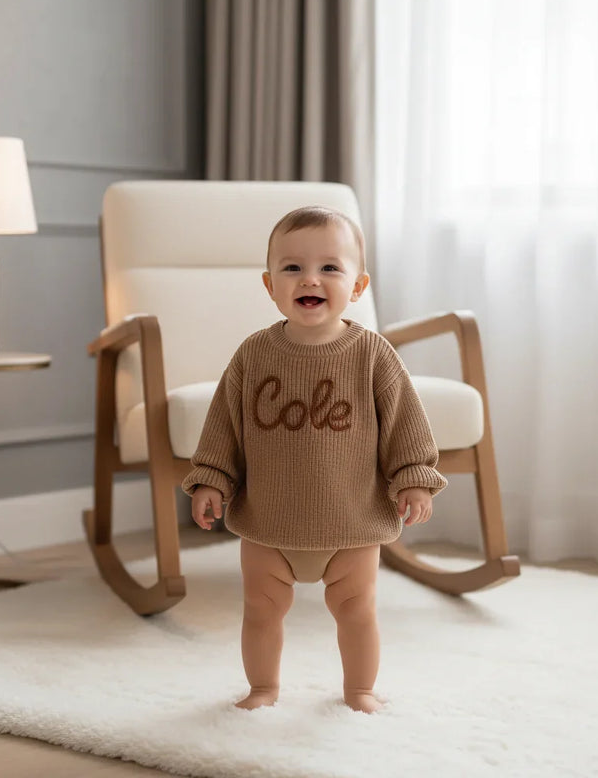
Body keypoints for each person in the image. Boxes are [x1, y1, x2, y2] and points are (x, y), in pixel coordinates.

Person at [182, 205, 447, 713]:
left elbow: (405, 423)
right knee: (260, 609)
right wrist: (212, 479)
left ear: (358, 285)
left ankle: (359, 690)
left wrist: (413, 477)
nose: (311, 278)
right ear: (269, 284)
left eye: (330, 267)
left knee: (357, 611)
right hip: (268, 521)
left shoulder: (372, 354)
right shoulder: (253, 355)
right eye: (292, 268)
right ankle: (263, 688)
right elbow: (223, 426)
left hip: (351, 521)